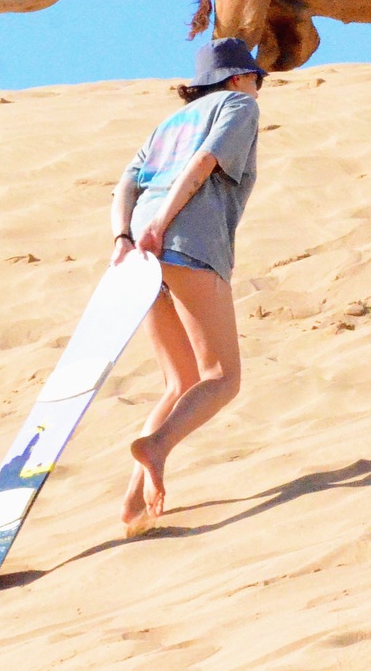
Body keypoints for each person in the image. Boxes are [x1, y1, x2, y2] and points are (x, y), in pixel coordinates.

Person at [110, 36, 264, 536]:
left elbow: (125, 186)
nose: (259, 88)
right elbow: (202, 167)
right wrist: (164, 225)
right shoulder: (238, 104)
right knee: (223, 377)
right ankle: (158, 447)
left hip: (139, 253)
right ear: (238, 78)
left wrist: (124, 237)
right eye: (257, 78)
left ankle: (132, 504)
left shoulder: (166, 125)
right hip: (186, 243)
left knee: (178, 381)